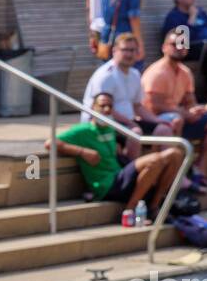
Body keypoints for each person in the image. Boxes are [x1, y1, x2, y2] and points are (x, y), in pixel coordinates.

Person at [45, 91, 184, 216]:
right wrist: (82, 151)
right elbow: (50, 143)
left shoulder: (110, 128)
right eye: (102, 106)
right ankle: (130, 209)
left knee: (176, 154)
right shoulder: (83, 130)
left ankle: (154, 205)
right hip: (106, 185)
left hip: (120, 176)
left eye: (110, 106)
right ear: (93, 107)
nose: (106, 110)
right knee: (155, 160)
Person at [142, 29, 207, 183]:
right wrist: (184, 113)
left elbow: (190, 101)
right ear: (164, 47)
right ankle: (177, 172)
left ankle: (201, 165)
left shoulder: (185, 72)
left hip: (178, 116)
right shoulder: (156, 72)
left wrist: (194, 110)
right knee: (176, 118)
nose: (179, 48)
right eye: (174, 44)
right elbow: (154, 106)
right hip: (155, 120)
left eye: (182, 45)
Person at [81, 33, 181, 157]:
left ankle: (169, 173)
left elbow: (137, 106)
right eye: (125, 50)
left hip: (127, 123)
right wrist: (131, 123)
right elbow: (103, 109)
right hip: (103, 124)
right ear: (114, 51)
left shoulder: (135, 74)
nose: (129, 54)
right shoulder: (105, 75)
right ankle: (132, 171)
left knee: (163, 129)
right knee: (136, 132)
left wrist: (157, 120)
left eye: (133, 50)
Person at [160, 0, 207, 100]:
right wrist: (192, 18)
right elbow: (181, 39)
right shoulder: (173, 16)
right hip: (189, 49)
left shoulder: (201, 12)